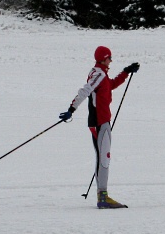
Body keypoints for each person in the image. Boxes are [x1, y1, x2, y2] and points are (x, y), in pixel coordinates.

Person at [59, 46, 139, 209]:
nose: (111, 60)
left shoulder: (101, 74)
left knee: (103, 156)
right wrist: (71, 110)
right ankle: (103, 197)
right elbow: (85, 91)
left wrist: (126, 72)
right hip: (99, 121)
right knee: (104, 157)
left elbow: (111, 85)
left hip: (102, 121)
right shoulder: (99, 74)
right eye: (109, 58)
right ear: (103, 58)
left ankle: (103, 195)